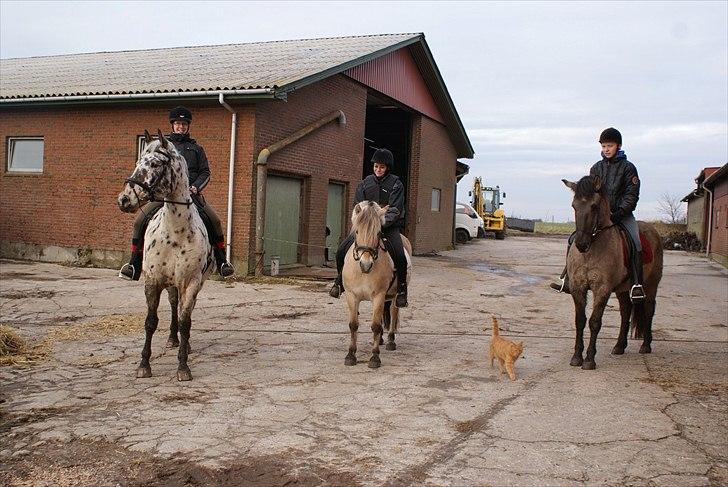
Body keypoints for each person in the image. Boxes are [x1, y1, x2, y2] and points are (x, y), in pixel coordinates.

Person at [118, 106, 235, 280]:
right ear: (172, 125)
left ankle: (222, 262)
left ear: (188, 126)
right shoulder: (162, 147)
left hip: (190, 195)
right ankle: (133, 264)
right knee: (139, 221)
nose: (181, 127)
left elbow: (205, 173)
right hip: (163, 195)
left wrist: (195, 187)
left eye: (184, 124)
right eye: (178, 124)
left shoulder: (196, 149)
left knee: (215, 221)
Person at [550, 127, 645, 302]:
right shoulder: (596, 168)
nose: (606, 149)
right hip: (598, 216)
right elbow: (588, 194)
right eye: (603, 146)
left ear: (618, 146)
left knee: (636, 241)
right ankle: (568, 279)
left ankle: (636, 284)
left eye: (610, 145)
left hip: (621, 215)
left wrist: (618, 214)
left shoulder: (629, 168)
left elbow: (632, 196)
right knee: (573, 239)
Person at [329, 148, 409, 307]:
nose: (378, 170)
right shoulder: (365, 183)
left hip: (387, 226)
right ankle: (339, 282)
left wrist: (380, 222)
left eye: (382, 167)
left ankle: (401, 289)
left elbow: (395, 209)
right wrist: (362, 222)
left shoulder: (396, 184)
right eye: (376, 167)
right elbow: (357, 206)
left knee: (400, 255)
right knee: (341, 251)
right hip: (366, 228)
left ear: (388, 168)